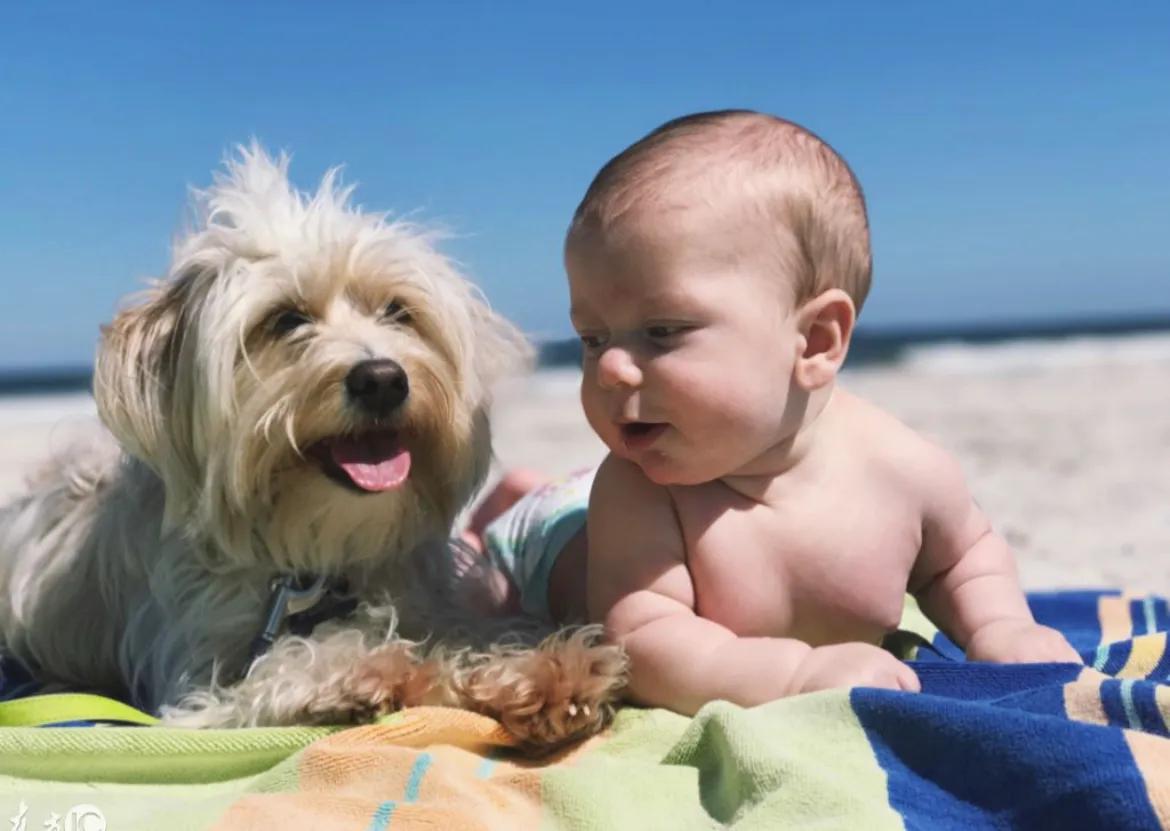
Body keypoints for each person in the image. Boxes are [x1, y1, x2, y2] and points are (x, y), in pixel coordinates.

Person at [468, 110, 1080, 716]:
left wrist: (999, 627)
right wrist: (796, 673)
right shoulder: (639, 488)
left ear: (814, 341)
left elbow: (963, 559)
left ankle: (529, 488)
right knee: (485, 583)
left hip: (581, 504)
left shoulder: (904, 470)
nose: (609, 369)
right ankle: (515, 502)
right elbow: (644, 644)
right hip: (551, 546)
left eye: (662, 331)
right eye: (593, 338)